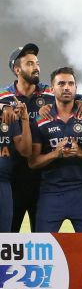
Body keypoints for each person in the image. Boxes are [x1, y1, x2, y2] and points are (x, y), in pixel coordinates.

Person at [1, 43, 82, 232]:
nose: (36, 68)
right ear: (17, 69)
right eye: (30, 64)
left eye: (37, 63)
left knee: (41, 238)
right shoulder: (5, 96)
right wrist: (2, 107)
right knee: (10, 234)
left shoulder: (48, 92)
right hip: (13, 176)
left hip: (42, 176)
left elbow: (77, 96)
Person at [28, 67, 82, 232]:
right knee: (44, 249)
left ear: (76, 88)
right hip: (51, 193)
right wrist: (56, 153)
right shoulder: (41, 120)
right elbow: (33, 162)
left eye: (71, 83)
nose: (66, 87)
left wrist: (80, 153)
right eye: (61, 83)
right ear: (52, 88)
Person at [0, 98, 31, 232]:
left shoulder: (8, 117)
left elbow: (25, 151)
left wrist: (24, 120)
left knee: (4, 233)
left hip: (3, 182)